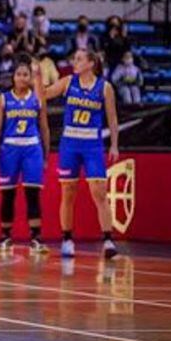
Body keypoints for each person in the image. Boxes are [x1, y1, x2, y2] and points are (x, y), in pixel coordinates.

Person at [42, 49, 120, 260]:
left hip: (92, 145)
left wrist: (114, 145)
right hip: (70, 144)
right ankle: (67, 239)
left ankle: (108, 240)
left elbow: (112, 119)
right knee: (68, 191)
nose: (74, 62)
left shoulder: (104, 87)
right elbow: (45, 94)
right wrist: (37, 77)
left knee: (99, 192)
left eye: (78, 59)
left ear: (91, 63)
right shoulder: (68, 82)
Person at [0, 56, 50, 255]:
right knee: (8, 194)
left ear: (31, 78)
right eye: (19, 74)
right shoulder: (4, 99)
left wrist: (47, 155)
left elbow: (44, 127)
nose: (22, 78)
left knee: (32, 193)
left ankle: (36, 238)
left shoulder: (38, 98)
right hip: (9, 149)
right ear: (13, 77)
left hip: (32, 148)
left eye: (26, 75)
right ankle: (5, 236)